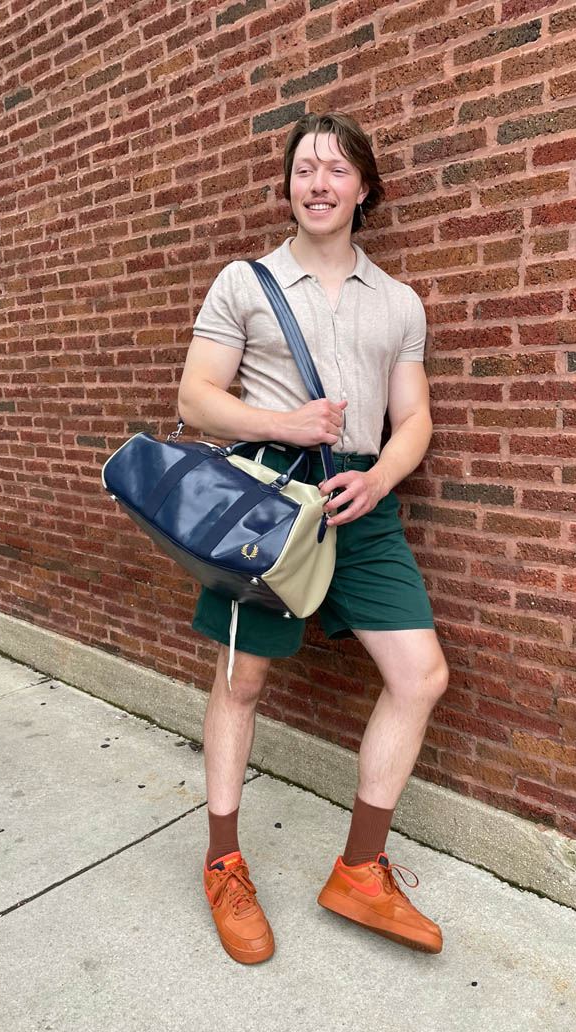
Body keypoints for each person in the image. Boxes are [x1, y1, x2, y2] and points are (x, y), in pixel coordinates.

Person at [178, 111, 449, 964]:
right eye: (304, 169)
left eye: (336, 169)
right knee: (243, 679)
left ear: (365, 186)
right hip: (264, 506)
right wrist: (283, 422)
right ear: (288, 184)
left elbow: (415, 419)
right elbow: (195, 399)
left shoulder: (398, 302)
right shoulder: (245, 282)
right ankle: (223, 860)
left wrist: (380, 477)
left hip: (361, 502)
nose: (319, 183)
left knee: (421, 673)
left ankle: (360, 870)